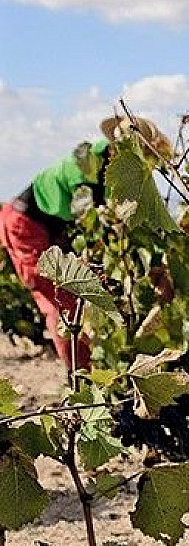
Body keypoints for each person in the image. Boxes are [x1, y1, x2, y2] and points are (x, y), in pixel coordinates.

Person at [2, 132, 111, 369]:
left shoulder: (106, 167)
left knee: (77, 297)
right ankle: (80, 376)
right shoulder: (89, 164)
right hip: (25, 226)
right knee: (59, 301)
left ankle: (91, 372)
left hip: (50, 230)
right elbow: (90, 215)